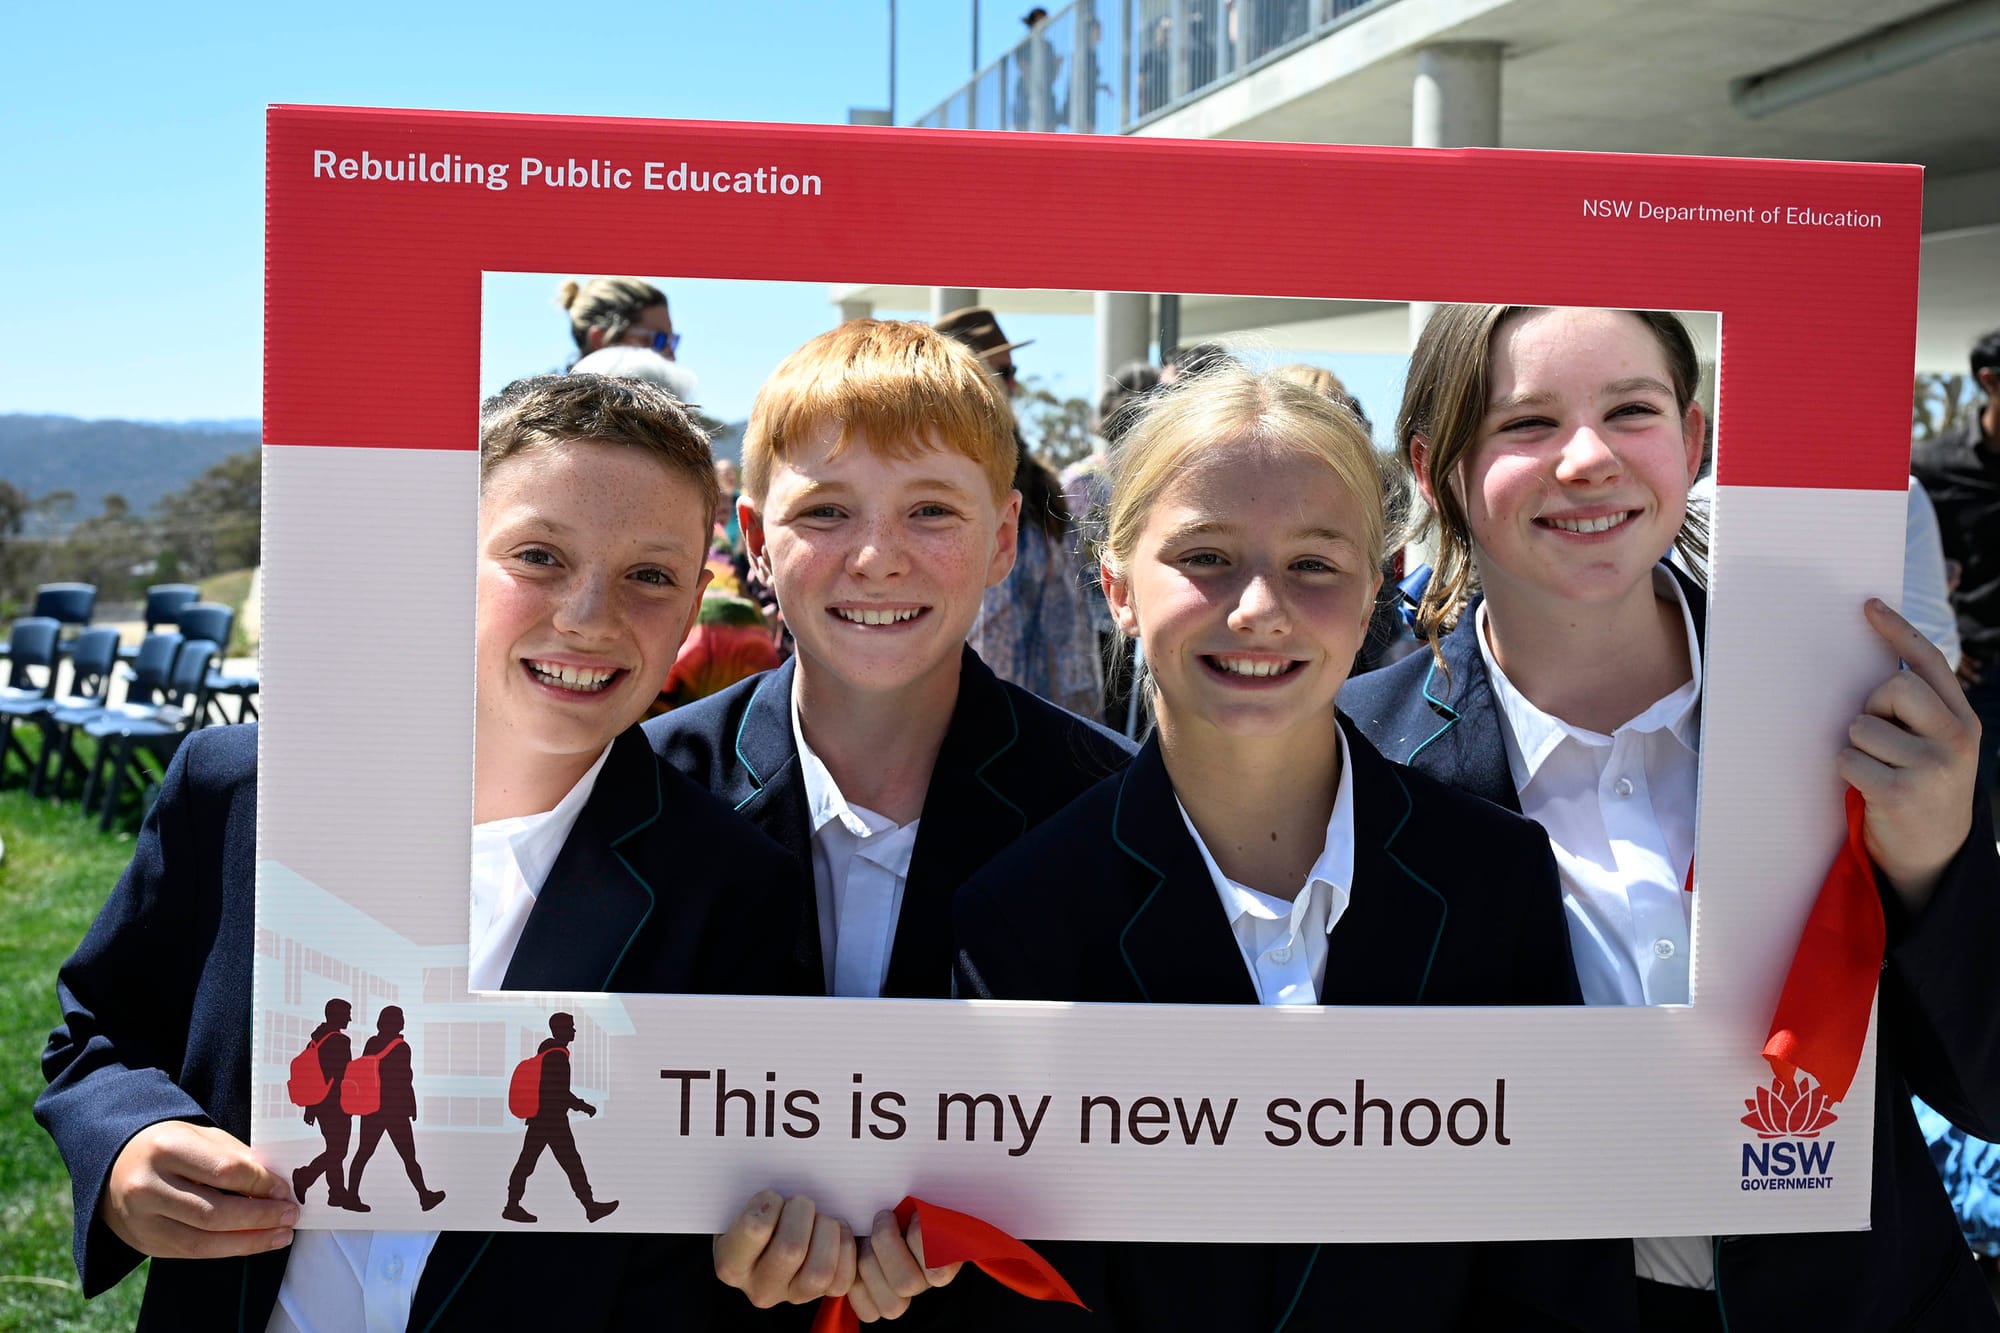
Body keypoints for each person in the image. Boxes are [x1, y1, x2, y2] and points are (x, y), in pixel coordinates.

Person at [36, 372, 811, 1331]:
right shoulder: (241, 790)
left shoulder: (733, 887)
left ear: (697, 600)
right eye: (538, 556)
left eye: (649, 575)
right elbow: (100, 1026)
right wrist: (127, 1144)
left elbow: (715, 1199)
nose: (588, 615)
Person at [1341, 304, 2000, 1331]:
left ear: (1692, 439)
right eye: (1527, 423)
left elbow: (1983, 1090)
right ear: (1435, 471)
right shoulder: (1355, 760)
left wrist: (1935, 865)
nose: (1589, 458)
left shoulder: (1858, 709)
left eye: (1630, 411)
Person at [952, 365, 1631, 1330]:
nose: (1258, 607)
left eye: (1313, 564)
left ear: (1374, 591)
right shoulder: (1020, 914)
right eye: (1206, 556)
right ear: (1118, 589)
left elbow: (1557, 1258)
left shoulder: (1495, 877)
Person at [647, 318, 1133, 1322]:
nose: (876, 557)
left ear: (1003, 538)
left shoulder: (1107, 811)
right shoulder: (650, 795)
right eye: (826, 511)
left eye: (930, 511)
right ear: (754, 540)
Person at [935, 306, 1104, 718]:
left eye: (1013, 372)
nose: (1013, 384)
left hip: (1055, 714)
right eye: (1002, 372)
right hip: (974, 715)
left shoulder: (1037, 480)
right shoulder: (940, 477)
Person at [1911, 327, 2000, 791]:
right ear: (1989, 380)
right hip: (1973, 674)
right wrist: (1943, 652)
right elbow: (1916, 572)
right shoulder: (1931, 468)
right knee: (1967, 806)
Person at [504, 1012, 616, 1224]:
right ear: (559, 1029)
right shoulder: (557, 1057)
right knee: (570, 1164)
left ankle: (512, 1206)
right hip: (552, 1121)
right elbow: (559, 1092)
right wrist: (583, 1106)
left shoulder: (550, 1054)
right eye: (570, 1027)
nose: (574, 1030)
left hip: (541, 1119)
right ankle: (590, 1207)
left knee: (529, 1163)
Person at [342, 1005, 445, 1214]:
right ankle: (424, 1197)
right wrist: (411, 1106)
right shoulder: (402, 1047)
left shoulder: (372, 1042)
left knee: (363, 1153)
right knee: (409, 1157)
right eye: (401, 1018)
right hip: (394, 1111)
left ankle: (351, 1196)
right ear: (398, 1022)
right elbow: (404, 1080)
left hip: (372, 1108)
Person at [290, 998, 355, 1208]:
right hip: (336, 1106)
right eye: (347, 1014)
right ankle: (304, 1176)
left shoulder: (316, 1040)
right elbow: (343, 1076)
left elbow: (312, 1078)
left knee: (334, 1148)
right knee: (338, 1151)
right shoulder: (340, 1041)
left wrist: (311, 1108)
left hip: (320, 1105)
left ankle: (336, 1193)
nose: (350, 1019)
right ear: (337, 1015)